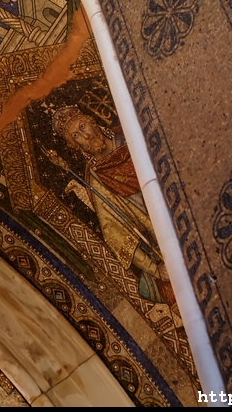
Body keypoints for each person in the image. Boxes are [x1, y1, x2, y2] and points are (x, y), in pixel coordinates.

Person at [50, 105, 174, 304]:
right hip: (160, 235)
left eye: (82, 126)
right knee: (151, 289)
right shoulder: (96, 178)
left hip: (177, 205)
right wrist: (154, 269)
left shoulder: (128, 135)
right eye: (76, 135)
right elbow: (113, 232)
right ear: (75, 145)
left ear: (92, 122)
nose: (85, 135)